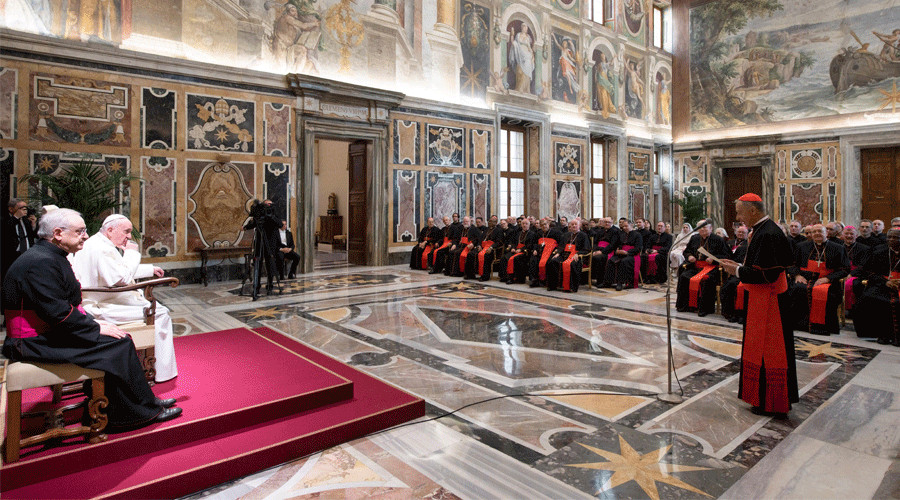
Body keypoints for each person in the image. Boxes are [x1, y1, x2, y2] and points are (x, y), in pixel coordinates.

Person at [2, 208, 181, 428]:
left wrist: (93, 323)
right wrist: (94, 328)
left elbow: (61, 306)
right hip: (30, 341)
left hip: (47, 331)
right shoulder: (40, 262)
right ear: (58, 233)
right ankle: (130, 415)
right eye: (80, 231)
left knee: (120, 340)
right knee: (118, 344)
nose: (86, 236)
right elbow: (57, 312)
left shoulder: (49, 255)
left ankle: (142, 403)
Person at [71, 214, 178, 383]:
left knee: (157, 309)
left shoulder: (96, 243)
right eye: (126, 231)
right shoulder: (102, 248)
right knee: (161, 313)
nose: (129, 236)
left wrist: (150, 269)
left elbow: (116, 270)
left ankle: (147, 365)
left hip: (103, 299)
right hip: (101, 306)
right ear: (110, 230)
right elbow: (120, 278)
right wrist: (132, 253)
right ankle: (161, 372)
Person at [719, 193, 798, 419]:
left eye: (740, 212)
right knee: (760, 348)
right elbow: (759, 266)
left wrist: (735, 271)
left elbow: (766, 275)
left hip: (770, 302)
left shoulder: (769, 234)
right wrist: (738, 265)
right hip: (763, 299)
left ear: (753, 210)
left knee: (770, 351)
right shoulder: (764, 231)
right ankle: (761, 397)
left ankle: (771, 401)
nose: (738, 217)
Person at [788, 224, 849, 335]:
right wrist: (797, 275)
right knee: (797, 289)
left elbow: (844, 269)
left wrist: (827, 278)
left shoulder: (838, 248)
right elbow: (791, 265)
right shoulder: (801, 246)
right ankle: (800, 325)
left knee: (824, 293)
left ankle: (822, 327)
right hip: (804, 279)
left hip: (828, 282)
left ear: (826, 233)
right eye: (814, 231)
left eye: (820, 231)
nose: (817, 233)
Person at [852, 229, 900, 345]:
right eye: (889, 237)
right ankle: (883, 334)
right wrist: (885, 282)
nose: (891, 240)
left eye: (896, 237)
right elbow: (869, 272)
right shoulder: (878, 251)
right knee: (870, 298)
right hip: (882, 283)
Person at [675, 223, 729, 317]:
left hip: (711, 268)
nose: (702, 229)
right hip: (696, 267)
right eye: (700, 228)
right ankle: (686, 306)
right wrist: (690, 256)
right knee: (684, 277)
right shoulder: (694, 238)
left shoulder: (718, 239)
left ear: (711, 228)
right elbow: (687, 251)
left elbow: (726, 255)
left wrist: (714, 259)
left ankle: (704, 308)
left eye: (704, 227)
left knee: (706, 279)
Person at [243, 199, 281, 296]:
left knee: (269, 263)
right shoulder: (260, 214)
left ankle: (270, 284)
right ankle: (256, 285)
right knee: (257, 263)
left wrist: (271, 216)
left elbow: (280, 224)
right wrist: (246, 227)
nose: (269, 206)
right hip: (260, 241)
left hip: (270, 242)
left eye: (270, 204)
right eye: (267, 204)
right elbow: (254, 223)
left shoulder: (273, 214)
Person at [546, 219, 591, 292]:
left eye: (575, 224)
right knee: (552, 261)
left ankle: (571, 287)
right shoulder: (566, 235)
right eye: (572, 224)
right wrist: (558, 253)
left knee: (573, 264)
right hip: (564, 255)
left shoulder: (583, 235)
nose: (574, 226)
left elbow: (587, 249)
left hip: (575, 256)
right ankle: (553, 285)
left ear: (579, 226)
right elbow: (561, 246)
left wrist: (578, 254)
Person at [601, 219, 643, 291]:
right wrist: (617, 250)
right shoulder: (622, 234)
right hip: (621, 253)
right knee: (611, 261)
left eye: (626, 226)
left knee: (623, 262)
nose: (624, 228)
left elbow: (638, 248)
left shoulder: (637, 235)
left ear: (631, 225)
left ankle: (620, 283)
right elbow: (619, 244)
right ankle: (607, 282)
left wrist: (627, 252)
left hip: (632, 255)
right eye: (623, 226)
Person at [719, 225, 750, 323]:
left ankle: (743, 315)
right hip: (739, 273)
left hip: (750, 276)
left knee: (743, 289)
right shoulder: (741, 249)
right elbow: (735, 261)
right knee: (729, 286)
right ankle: (731, 313)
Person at [2, 198, 37, 280]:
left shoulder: (26, 220)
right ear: (11, 209)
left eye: (26, 208)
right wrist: (16, 217)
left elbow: (33, 235)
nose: (25, 210)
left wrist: (33, 225)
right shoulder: (5, 220)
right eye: (22, 208)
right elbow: (6, 233)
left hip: (28, 253)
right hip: (12, 255)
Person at [841, 225, 870, 318]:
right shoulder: (838, 247)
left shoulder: (865, 248)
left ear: (856, 235)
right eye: (846, 234)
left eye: (851, 234)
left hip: (858, 274)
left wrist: (851, 274)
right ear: (842, 235)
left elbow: (863, 265)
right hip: (840, 273)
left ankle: (851, 309)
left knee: (854, 284)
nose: (849, 236)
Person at [500, 218, 536, 284]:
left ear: (529, 225)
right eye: (523, 224)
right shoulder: (518, 233)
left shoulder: (532, 234)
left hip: (525, 252)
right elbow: (513, 242)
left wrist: (521, 249)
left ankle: (517, 278)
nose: (524, 225)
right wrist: (513, 248)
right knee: (504, 257)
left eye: (526, 224)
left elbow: (530, 245)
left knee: (516, 259)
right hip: (516, 251)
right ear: (521, 225)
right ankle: (505, 277)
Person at [529, 218, 563, 288]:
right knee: (533, 259)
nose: (544, 226)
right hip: (540, 252)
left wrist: (557, 251)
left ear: (548, 224)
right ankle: (535, 280)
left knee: (550, 262)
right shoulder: (538, 233)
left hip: (551, 252)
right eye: (542, 225)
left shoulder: (557, 233)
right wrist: (535, 249)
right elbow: (535, 243)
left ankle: (549, 282)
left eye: (545, 224)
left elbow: (561, 244)